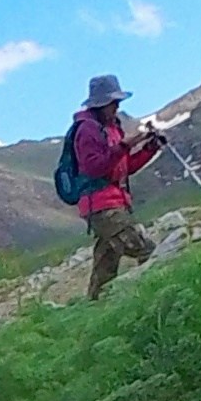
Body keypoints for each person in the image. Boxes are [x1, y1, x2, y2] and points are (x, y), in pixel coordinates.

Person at [72, 74, 164, 298]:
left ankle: (94, 309)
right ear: (101, 104)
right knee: (147, 250)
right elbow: (94, 168)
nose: (117, 107)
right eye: (113, 103)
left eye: (118, 102)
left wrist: (149, 148)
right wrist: (125, 145)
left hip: (113, 202)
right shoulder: (87, 130)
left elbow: (123, 167)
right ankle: (152, 296)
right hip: (103, 206)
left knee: (105, 267)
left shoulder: (112, 128)